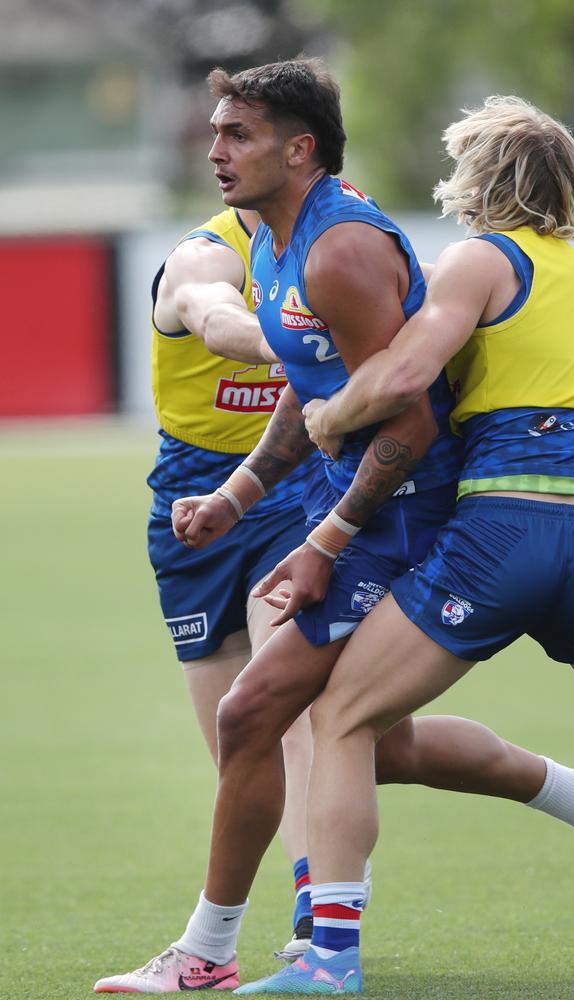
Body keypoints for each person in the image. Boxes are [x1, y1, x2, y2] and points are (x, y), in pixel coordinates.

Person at [94, 68, 574, 996]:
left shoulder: (368, 252)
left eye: (238, 133)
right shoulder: (286, 244)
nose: (216, 148)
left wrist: (325, 535)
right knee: (342, 733)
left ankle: (253, 953)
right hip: (565, 520)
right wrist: (239, 492)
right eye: (217, 132)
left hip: (428, 520)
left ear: (299, 147)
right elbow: (323, 384)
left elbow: (405, 404)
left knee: (291, 719)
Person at [145, 203, 320, 962]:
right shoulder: (201, 259)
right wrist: (310, 340)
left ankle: (320, 906)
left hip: (293, 496)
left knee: (279, 710)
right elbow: (216, 324)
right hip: (192, 512)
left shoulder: (335, 246)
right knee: (243, 744)